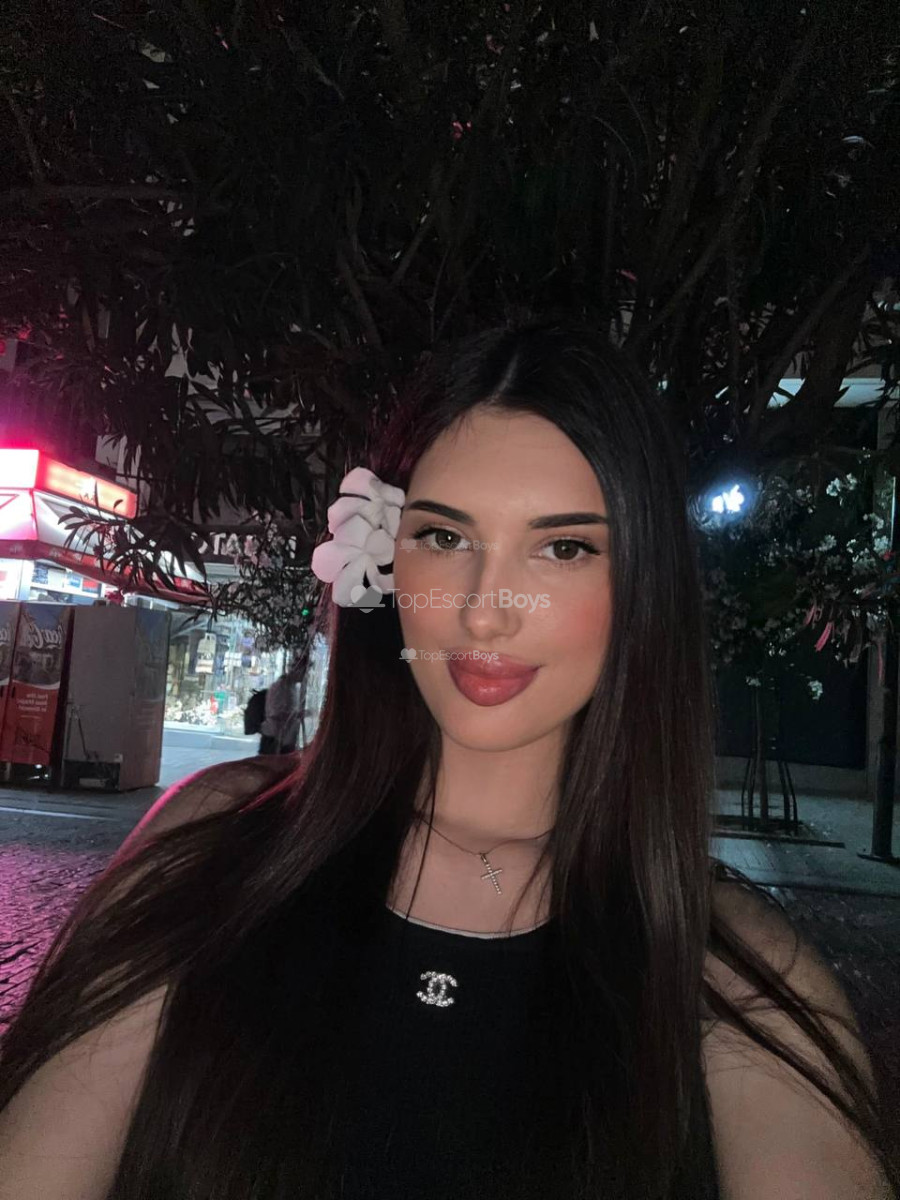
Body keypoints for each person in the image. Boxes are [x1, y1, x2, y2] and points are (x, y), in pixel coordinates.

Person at [0, 320, 896, 1200]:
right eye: (444, 537)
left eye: (564, 548)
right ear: (386, 560)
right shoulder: (215, 843)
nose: (483, 612)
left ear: (642, 587)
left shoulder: (740, 978)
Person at [258, 659, 305, 755]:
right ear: (296, 670)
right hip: (273, 739)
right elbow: (275, 714)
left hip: (284, 739)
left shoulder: (293, 687)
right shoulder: (280, 686)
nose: (304, 676)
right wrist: (297, 714)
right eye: (303, 672)